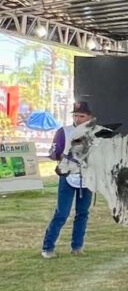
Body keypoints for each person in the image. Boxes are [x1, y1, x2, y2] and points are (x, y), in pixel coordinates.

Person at [41, 101, 95, 258]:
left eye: (81, 116)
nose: (78, 119)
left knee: (82, 213)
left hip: (87, 177)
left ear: (89, 117)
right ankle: (47, 247)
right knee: (62, 213)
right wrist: (64, 156)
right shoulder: (63, 131)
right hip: (67, 177)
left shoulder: (95, 132)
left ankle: (77, 246)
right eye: (75, 115)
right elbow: (53, 153)